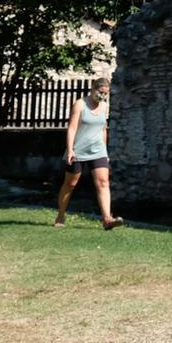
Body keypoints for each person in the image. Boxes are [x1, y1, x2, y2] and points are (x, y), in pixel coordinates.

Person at [55, 75, 123, 230]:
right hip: (78, 150)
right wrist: (70, 150)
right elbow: (72, 128)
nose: (102, 96)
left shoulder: (104, 106)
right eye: (100, 92)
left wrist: (105, 151)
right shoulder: (80, 104)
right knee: (70, 184)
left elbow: (103, 129)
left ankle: (107, 219)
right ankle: (60, 215)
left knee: (103, 183)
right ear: (93, 89)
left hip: (98, 150)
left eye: (105, 94)